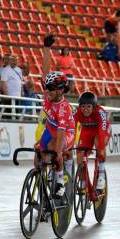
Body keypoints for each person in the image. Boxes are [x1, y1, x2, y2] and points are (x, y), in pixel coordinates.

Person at [35, 34, 75, 198]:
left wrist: (58, 154)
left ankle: (59, 182)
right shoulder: (49, 95)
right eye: (47, 88)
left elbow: (59, 136)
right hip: (51, 129)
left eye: (50, 89)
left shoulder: (63, 108)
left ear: (59, 91)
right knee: (38, 157)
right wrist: (46, 48)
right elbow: (45, 72)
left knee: (53, 148)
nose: (47, 91)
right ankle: (43, 189)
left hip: (66, 133)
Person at [74, 91, 111, 191]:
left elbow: (101, 132)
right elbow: (71, 128)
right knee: (80, 155)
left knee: (99, 145)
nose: (85, 110)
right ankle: (82, 180)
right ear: (79, 106)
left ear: (94, 106)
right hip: (87, 131)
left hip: (102, 130)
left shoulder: (101, 113)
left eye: (88, 107)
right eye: (83, 107)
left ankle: (101, 173)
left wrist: (101, 149)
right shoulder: (77, 113)